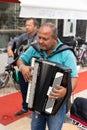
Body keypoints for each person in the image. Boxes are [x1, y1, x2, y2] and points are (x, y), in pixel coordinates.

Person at [17, 22, 78, 130]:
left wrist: (66, 91)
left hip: (57, 103)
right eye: (39, 37)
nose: (40, 41)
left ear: (55, 38)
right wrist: (23, 67)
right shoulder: (35, 48)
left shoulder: (67, 53)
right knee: (36, 127)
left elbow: (74, 78)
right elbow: (20, 60)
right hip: (36, 100)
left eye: (45, 39)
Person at [7, 18, 39, 116]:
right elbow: (13, 41)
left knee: (36, 90)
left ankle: (36, 109)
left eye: (29, 25)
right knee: (24, 89)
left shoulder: (40, 37)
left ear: (35, 27)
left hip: (34, 68)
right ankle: (25, 107)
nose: (27, 27)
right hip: (22, 66)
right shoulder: (24, 36)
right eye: (26, 25)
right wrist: (9, 49)